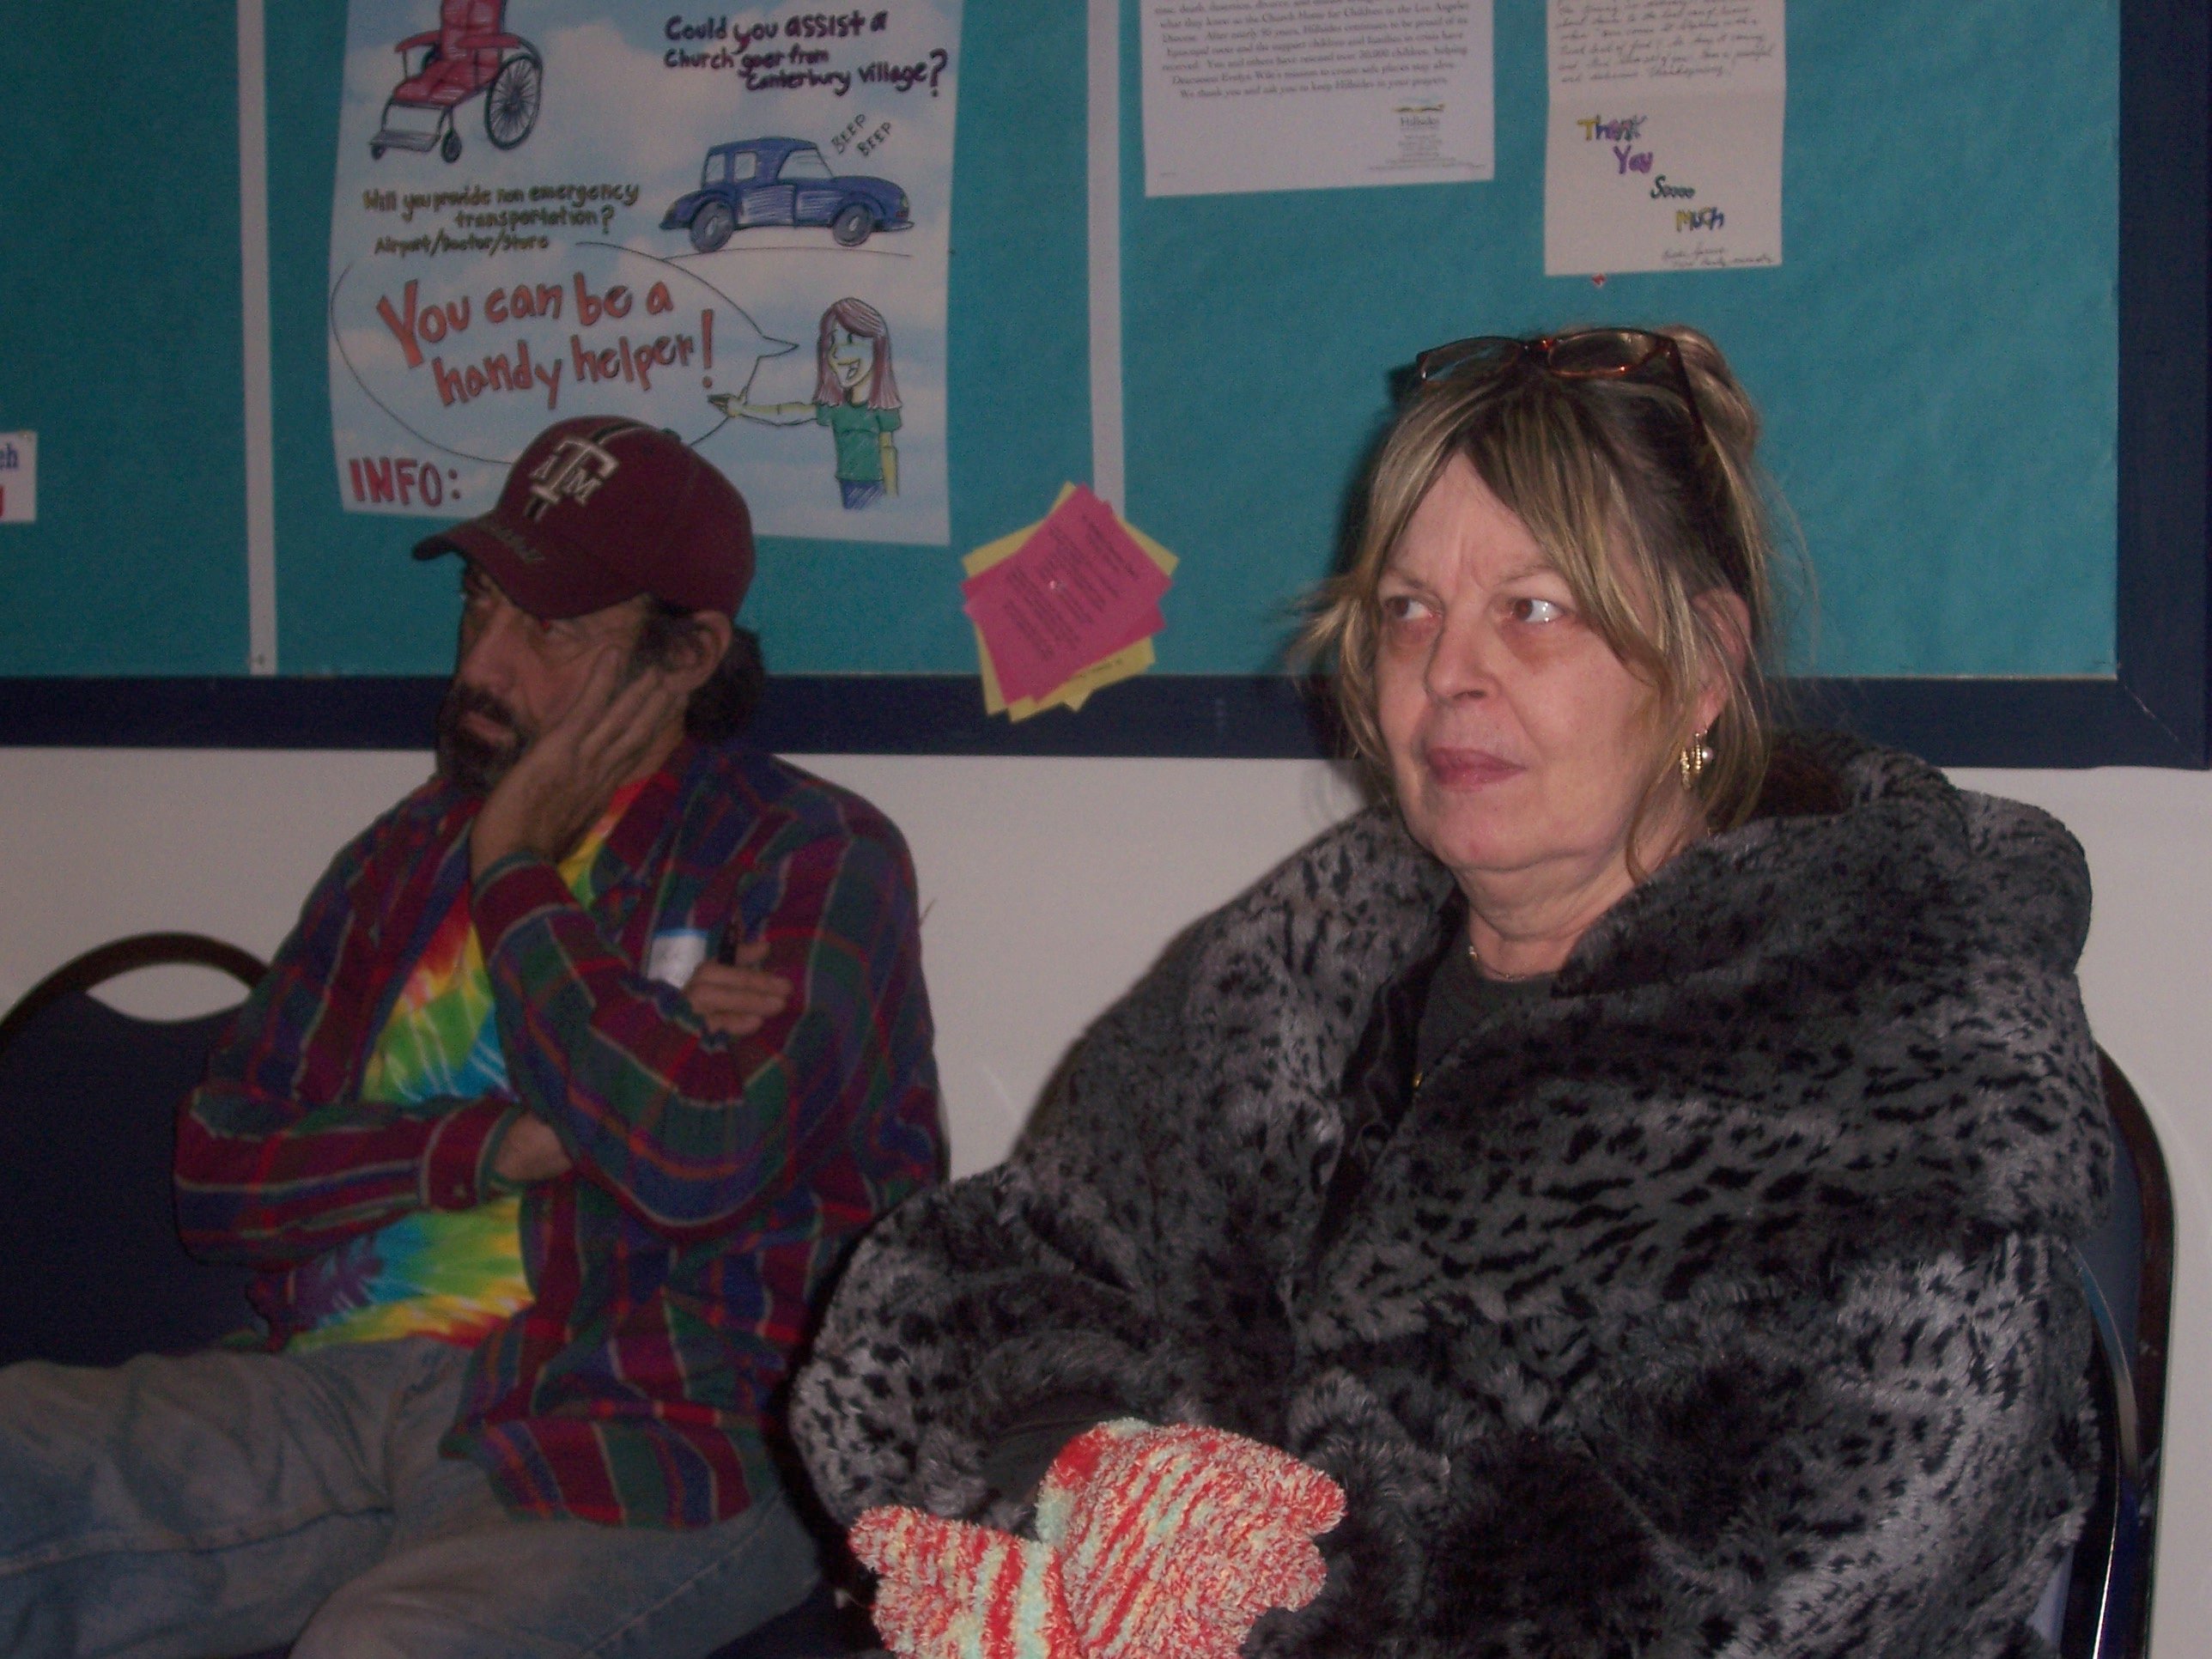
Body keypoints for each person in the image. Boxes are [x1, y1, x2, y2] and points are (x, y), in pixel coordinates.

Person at [791, 329, 2110, 1657]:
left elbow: (1738, 1589)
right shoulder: (1287, 976)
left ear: (1703, 664)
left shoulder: (1895, 1045)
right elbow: (973, 1287)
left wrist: (1244, 1601)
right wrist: (1085, 1487)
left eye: (1532, 610)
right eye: (1407, 610)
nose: (1446, 672)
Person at [0, 416, 945, 1658]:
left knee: (391, 1646)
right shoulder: (402, 857)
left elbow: (692, 1155)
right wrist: (499, 1144)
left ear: (687, 655)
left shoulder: (808, 855)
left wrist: (512, 868)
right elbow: (220, 1174)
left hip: (646, 1431)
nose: (484, 664)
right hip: (331, 1394)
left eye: (550, 629)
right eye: (481, 604)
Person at [712, 297, 902, 508]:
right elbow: (788, 413)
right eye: (833, 342)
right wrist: (743, 409)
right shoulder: (837, 408)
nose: (837, 353)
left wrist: (892, 497)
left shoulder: (881, 409)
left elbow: (887, 449)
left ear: (877, 347)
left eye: (850, 340)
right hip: (846, 485)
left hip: (873, 488)